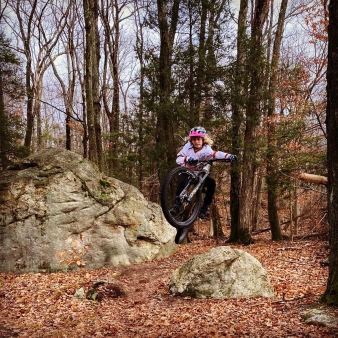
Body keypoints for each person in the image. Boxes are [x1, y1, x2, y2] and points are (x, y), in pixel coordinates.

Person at [171, 126, 237, 220]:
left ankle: (204, 208)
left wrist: (228, 156)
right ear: (191, 140)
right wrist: (187, 159)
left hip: (199, 173)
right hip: (186, 170)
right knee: (182, 181)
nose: (196, 141)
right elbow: (178, 159)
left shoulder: (207, 149)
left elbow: (216, 154)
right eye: (194, 139)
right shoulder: (187, 147)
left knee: (212, 183)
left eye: (198, 139)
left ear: (203, 139)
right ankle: (176, 206)